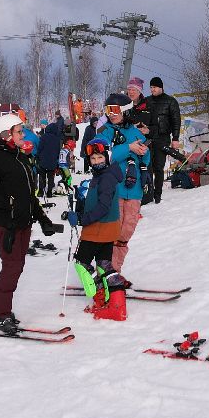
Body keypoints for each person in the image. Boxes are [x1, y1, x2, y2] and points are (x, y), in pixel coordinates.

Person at [0, 111, 65, 334]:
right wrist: (9, 203)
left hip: (24, 222)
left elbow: (28, 194)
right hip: (7, 224)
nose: (22, 134)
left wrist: (43, 219)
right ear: (6, 135)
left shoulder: (20, 156)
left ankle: (2, 310)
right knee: (11, 267)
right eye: (18, 131)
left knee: (17, 267)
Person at [69, 139, 124, 297]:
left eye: (100, 158)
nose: (96, 162)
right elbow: (96, 201)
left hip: (99, 227)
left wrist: (81, 219)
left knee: (82, 263)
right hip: (107, 227)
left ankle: (98, 293)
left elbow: (103, 207)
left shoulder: (106, 178)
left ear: (107, 156)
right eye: (93, 159)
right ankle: (115, 296)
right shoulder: (104, 174)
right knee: (103, 264)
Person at [108, 98, 150, 273]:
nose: (111, 114)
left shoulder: (137, 134)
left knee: (126, 232)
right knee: (111, 232)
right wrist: (128, 148)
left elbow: (145, 161)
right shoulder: (105, 131)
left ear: (125, 111)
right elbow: (103, 155)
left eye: (115, 110)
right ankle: (108, 272)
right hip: (114, 188)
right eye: (108, 110)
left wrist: (144, 152)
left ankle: (115, 270)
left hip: (134, 190)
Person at [143, 79, 182, 204]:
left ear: (161, 87)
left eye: (154, 87)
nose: (152, 89)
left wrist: (175, 138)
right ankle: (147, 193)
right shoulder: (147, 101)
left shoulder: (170, 101)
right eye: (151, 87)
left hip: (163, 138)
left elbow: (176, 121)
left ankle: (157, 194)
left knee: (159, 167)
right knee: (148, 166)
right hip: (148, 138)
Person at [36, 113, 65, 198]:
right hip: (52, 161)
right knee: (50, 177)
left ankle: (41, 191)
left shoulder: (44, 137)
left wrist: (38, 156)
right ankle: (49, 192)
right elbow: (58, 150)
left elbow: (40, 147)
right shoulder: (57, 139)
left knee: (42, 176)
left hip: (43, 160)